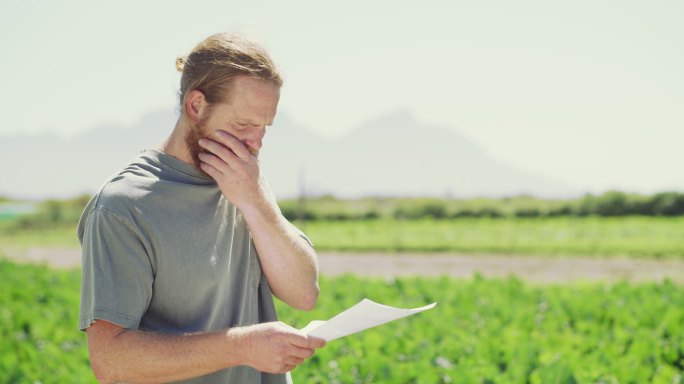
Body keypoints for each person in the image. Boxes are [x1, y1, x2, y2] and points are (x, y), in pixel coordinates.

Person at [78, 32, 326, 383]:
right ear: (196, 106)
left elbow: (303, 294)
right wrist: (241, 346)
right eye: (243, 125)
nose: (255, 143)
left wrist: (255, 201)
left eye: (264, 128)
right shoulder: (122, 207)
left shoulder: (245, 177)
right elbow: (111, 362)